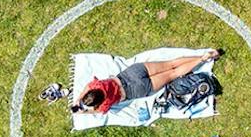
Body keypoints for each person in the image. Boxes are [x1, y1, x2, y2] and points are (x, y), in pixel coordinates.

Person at [72, 50, 219, 116]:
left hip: (136, 90)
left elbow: (96, 112)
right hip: (131, 73)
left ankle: (201, 61)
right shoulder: (96, 85)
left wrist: (83, 111)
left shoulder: (104, 105)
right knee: (171, 64)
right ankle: (202, 57)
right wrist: (80, 98)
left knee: (173, 74)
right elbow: (87, 88)